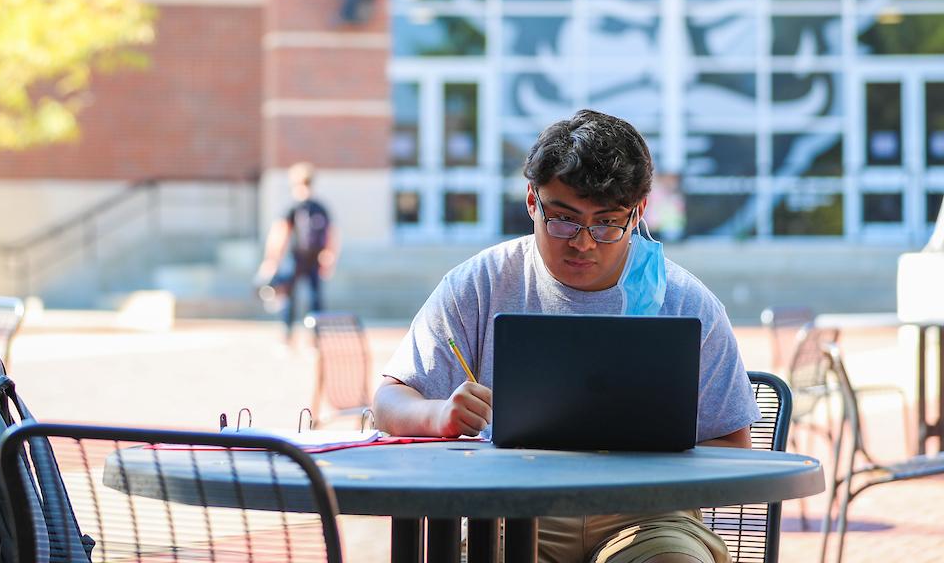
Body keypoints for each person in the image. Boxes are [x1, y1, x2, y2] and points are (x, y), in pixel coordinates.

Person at [373, 109, 759, 563]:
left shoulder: (686, 303)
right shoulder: (481, 284)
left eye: (606, 222)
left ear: (638, 213)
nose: (584, 242)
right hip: (509, 511)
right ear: (533, 202)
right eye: (564, 219)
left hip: (650, 517)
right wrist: (439, 416)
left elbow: (733, 446)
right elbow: (388, 402)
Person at [258, 162, 339, 342]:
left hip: (313, 259)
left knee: (316, 299)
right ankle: (287, 336)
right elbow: (280, 233)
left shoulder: (319, 208)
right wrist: (272, 259)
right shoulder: (293, 208)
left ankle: (316, 338)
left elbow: (331, 234)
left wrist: (329, 256)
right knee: (288, 298)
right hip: (294, 258)